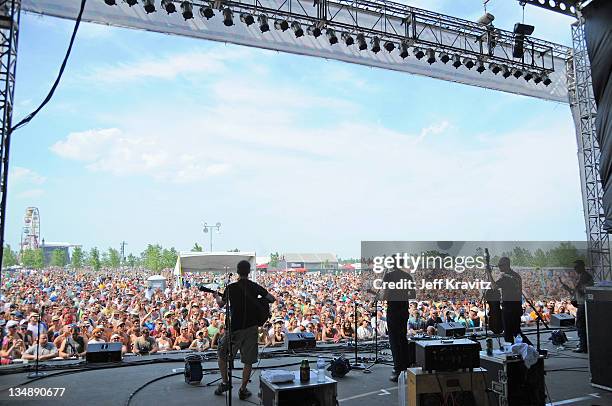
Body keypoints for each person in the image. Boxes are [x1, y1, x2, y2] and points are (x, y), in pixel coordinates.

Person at [213, 260, 276, 400]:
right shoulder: (255, 287)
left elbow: (221, 304)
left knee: (222, 355)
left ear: (237, 271)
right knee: (248, 361)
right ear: (249, 272)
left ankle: (225, 382)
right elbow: (271, 299)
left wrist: (217, 296)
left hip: (234, 329)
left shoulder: (231, 288)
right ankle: (242, 389)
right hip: (251, 328)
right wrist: (259, 300)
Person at [379, 260, 415, 382]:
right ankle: (406, 367)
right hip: (403, 311)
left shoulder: (388, 276)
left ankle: (397, 369)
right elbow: (413, 294)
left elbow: (384, 296)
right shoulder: (407, 276)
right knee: (402, 339)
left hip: (393, 312)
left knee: (394, 340)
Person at [494, 257, 531, 345]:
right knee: (516, 331)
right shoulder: (516, 275)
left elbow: (494, 286)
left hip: (508, 307)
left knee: (508, 333)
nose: (499, 267)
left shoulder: (507, 277)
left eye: (501, 265)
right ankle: (530, 348)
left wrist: (488, 273)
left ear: (506, 265)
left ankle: (513, 351)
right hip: (516, 307)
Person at [559, 259, 594, 353]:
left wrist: (575, 288)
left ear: (582, 266)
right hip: (582, 303)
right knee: (582, 325)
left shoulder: (584, 277)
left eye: (576, 267)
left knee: (580, 325)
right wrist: (568, 288)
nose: (574, 269)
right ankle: (584, 344)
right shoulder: (582, 276)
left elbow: (582, 291)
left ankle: (583, 346)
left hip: (584, 304)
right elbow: (575, 292)